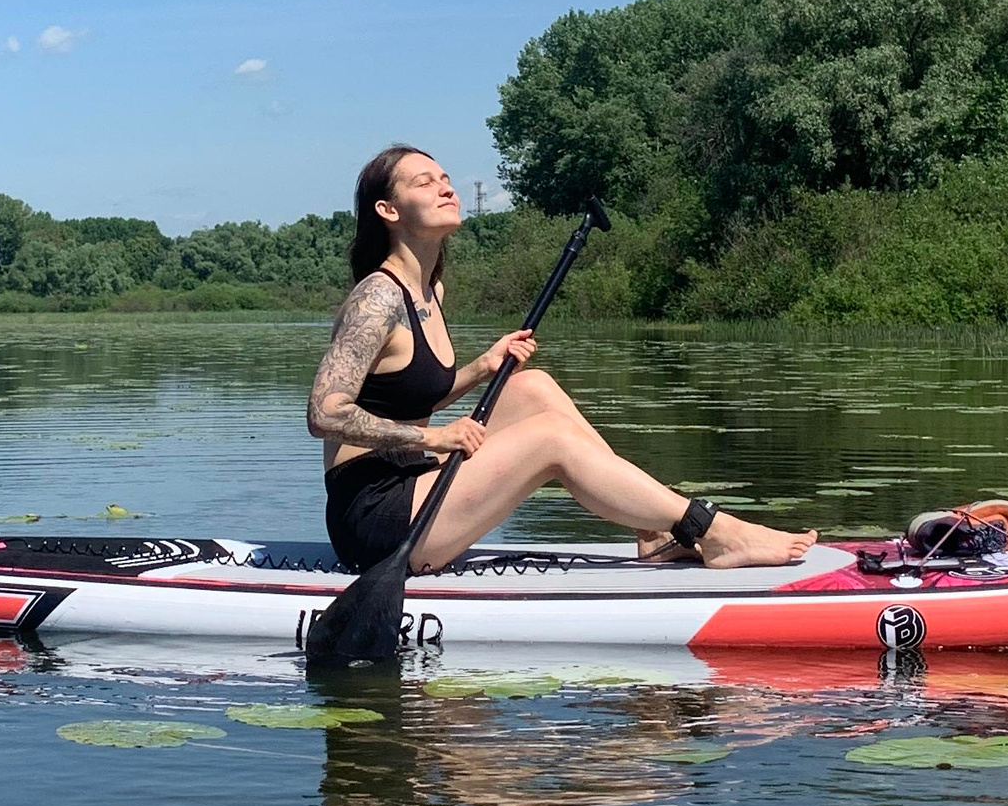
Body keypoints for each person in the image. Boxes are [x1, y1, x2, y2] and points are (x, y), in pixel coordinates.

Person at [309, 144, 815, 574]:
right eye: (425, 183)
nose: (446, 187)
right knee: (551, 440)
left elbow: (405, 396)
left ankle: (653, 530)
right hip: (375, 517)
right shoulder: (377, 296)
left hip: (412, 477)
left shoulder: (429, 288)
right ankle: (714, 528)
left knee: (534, 389)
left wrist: (483, 367)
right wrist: (432, 437)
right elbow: (324, 413)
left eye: (445, 178)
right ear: (388, 211)